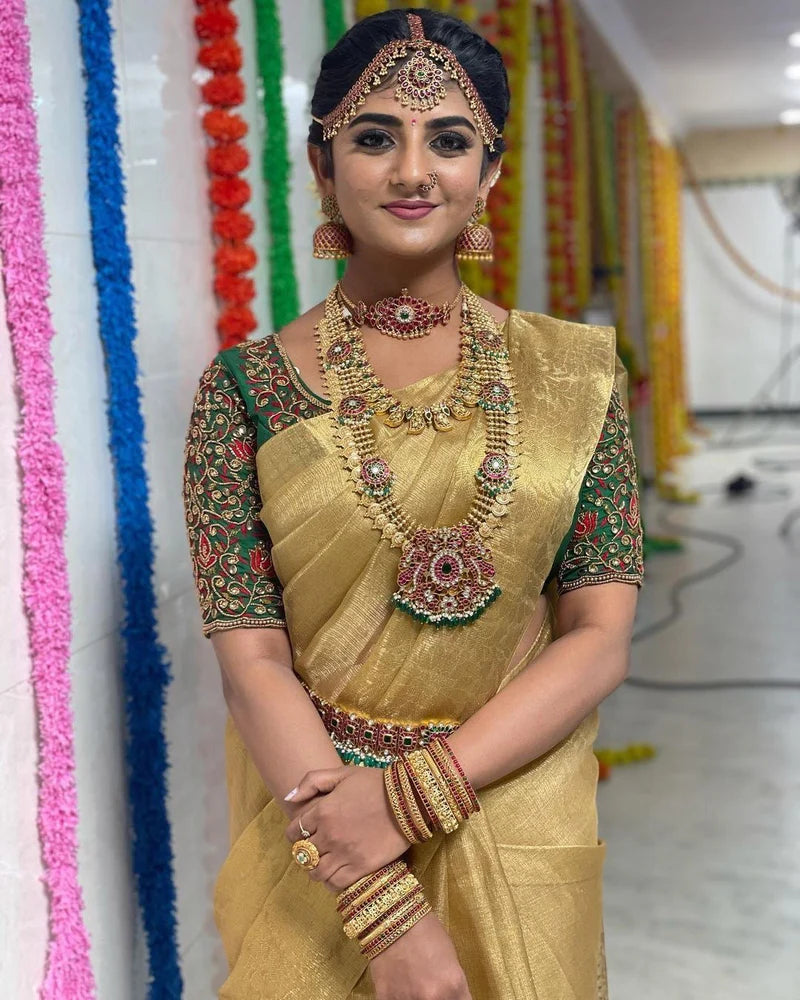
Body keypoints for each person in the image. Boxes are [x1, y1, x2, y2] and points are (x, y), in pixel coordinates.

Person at [182, 8, 643, 999]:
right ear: (322, 163)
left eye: (449, 140)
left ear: (490, 172)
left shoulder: (573, 380)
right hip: (318, 830)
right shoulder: (244, 392)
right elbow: (251, 662)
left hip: (513, 807)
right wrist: (377, 901)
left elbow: (598, 637)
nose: (411, 171)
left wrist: (409, 798)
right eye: (374, 136)